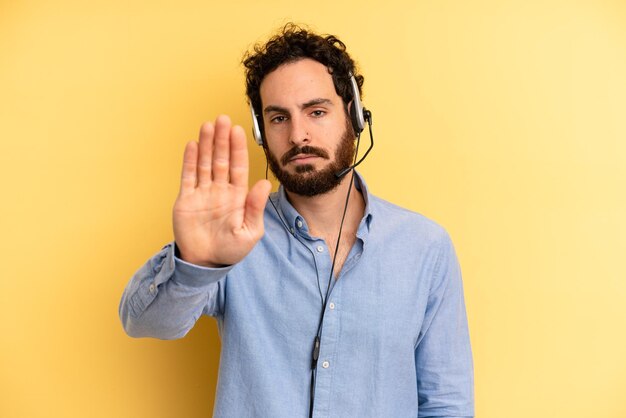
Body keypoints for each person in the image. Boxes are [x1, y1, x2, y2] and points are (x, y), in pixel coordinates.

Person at [119, 23, 474, 418]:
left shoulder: (425, 247)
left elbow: (446, 404)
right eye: (278, 118)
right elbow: (145, 322)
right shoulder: (234, 237)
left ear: (355, 115)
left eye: (316, 111)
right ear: (261, 132)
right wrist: (196, 264)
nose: (298, 135)